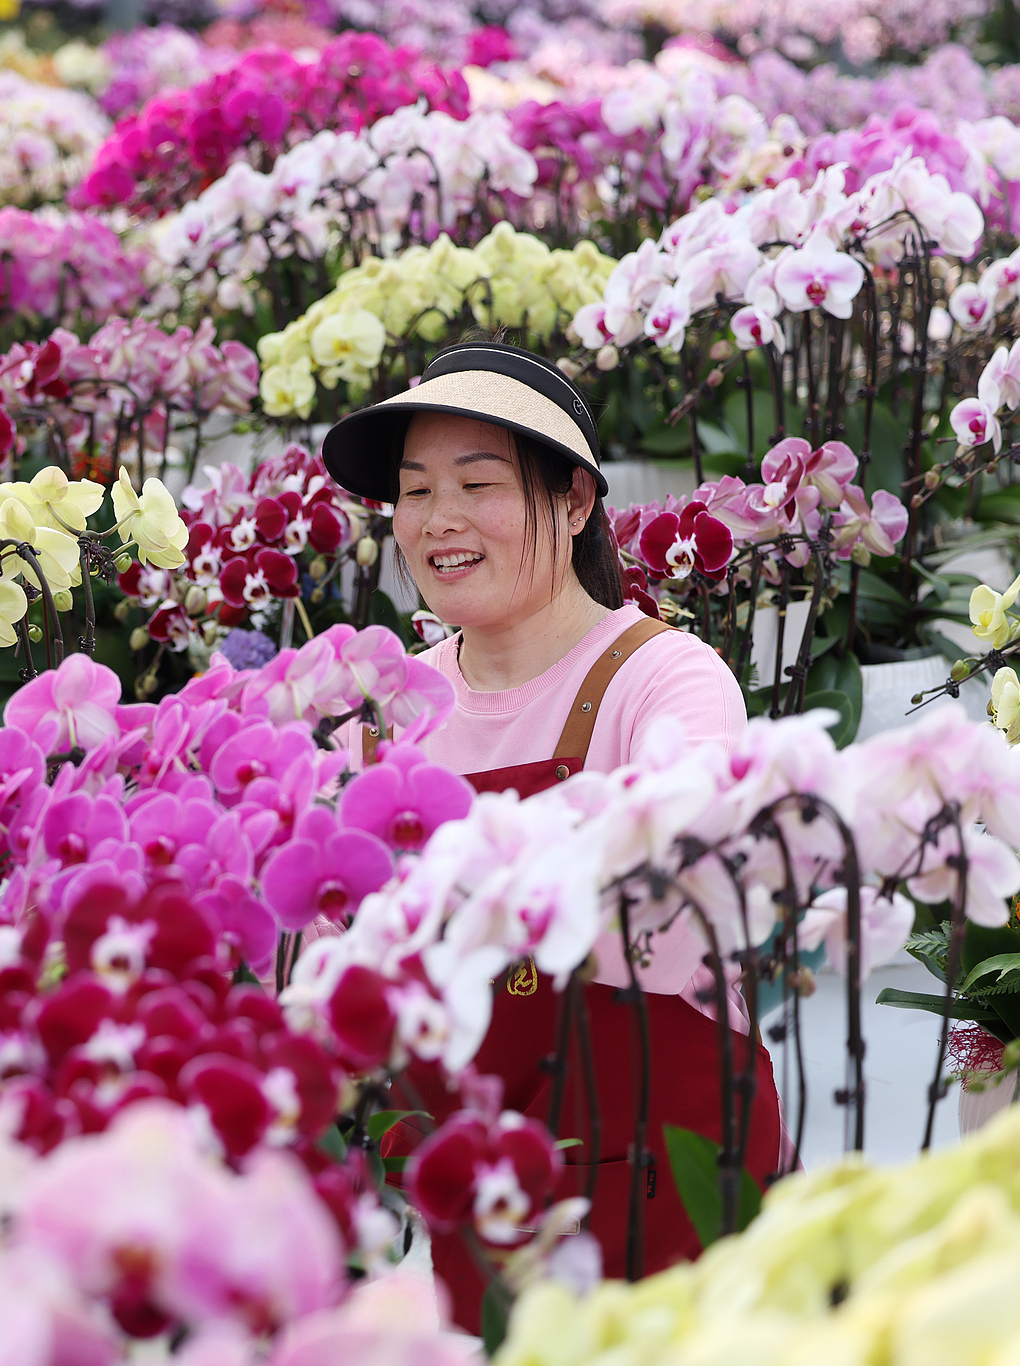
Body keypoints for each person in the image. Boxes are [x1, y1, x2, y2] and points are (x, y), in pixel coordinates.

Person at [321, 339, 782, 1330]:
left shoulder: (663, 679)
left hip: (657, 1157)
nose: (436, 520)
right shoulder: (390, 703)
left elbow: (681, 882)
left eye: (475, 483)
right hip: (465, 1177)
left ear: (573, 503)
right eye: (412, 492)